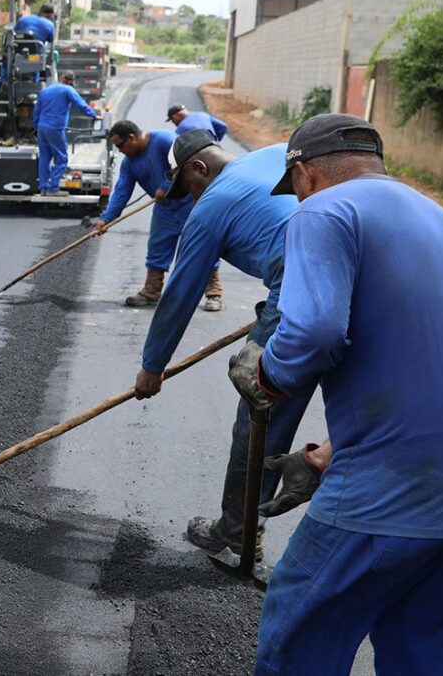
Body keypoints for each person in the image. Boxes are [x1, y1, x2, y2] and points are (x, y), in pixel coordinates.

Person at [227, 114, 443, 674]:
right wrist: (337, 450)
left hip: (395, 487)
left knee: (301, 634)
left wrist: (266, 376)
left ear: (306, 173)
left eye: (293, 188)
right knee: (434, 649)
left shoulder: (324, 209)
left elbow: (314, 332)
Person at [133, 128, 315, 559]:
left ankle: (236, 530)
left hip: (295, 296)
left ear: (199, 167)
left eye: (187, 187)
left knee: (259, 409)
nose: (189, 197)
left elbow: (179, 294)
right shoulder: (271, 153)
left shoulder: (211, 206)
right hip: (346, 272)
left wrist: (152, 367)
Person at [93, 121, 223, 310]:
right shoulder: (129, 164)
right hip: (165, 210)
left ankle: (214, 293)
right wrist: (106, 219)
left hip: (191, 204)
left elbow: (183, 161)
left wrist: (165, 186)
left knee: (202, 246)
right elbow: (122, 191)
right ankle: (151, 291)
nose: (120, 151)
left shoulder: (164, 140)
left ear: (131, 138)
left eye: (120, 145)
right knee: (157, 248)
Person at [32, 70, 100, 197]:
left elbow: (36, 110)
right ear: (70, 81)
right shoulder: (68, 90)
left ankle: (43, 188)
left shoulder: (45, 90)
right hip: (55, 128)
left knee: (44, 158)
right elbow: (81, 105)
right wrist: (94, 115)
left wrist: (35, 126)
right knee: (61, 158)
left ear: (62, 77)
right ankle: (53, 188)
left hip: (42, 128)